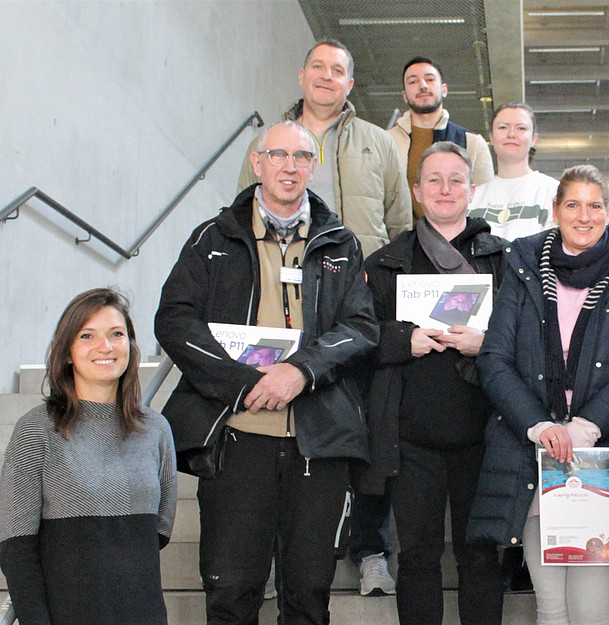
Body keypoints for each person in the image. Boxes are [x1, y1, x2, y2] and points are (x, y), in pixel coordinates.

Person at [155, 120, 379, 625]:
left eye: (301, 157)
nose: (289, 166)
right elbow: (174, 319)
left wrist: (300, 372)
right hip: (235, 437)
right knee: (232, 593)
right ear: (257, 164)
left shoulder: (341, 242)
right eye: (277, 155)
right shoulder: (212, 239)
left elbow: (361, 327)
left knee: (307, 596)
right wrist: (243, 383)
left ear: (313, 168)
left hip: (317, 441)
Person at [469, 165, 609, 625]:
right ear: (556, 210)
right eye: (573, 205)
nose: (584, 216)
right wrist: (539, 426)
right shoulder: (522, 267)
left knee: (594, 609)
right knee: (552, 608)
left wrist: (587, 425)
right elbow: (494, 359)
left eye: (595, 205)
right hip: (533, 457)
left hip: (603, 455)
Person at [362, 141, 505, 625]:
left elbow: (528, 340)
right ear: (417, 190)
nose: (445, 189)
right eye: (434, 180)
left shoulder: (502, 259)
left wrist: (485, 343)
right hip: (410, 438)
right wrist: (404, 341)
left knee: (482, 556)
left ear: (471, 188)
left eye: (456, 180)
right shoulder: (385, 261)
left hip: (486, 434)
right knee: (418, 557)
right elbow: (357, 338)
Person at [0, 288, 177, 625]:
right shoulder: (36, 430)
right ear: (67, 352)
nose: (105, 347)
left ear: (130, 346)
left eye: (117, 334)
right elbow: (15, 547)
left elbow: (160, 530)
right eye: (87, 335)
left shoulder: (155, 429)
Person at [238, 38, 412, 256]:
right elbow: (243, 216)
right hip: (286, 276)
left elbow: (400, 225)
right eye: (318, 66)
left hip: (361, 278)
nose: (326, 76)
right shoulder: (266, 144)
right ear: (302, 76)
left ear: (349, 85)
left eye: (337, 70)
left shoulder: (380, 142)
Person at [389, 56, 495, 218]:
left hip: (456, 241)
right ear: (404, 95)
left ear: (444, 89)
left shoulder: (472, 143)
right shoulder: (385, 141)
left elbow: (486, 205)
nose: (422, 86)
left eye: (430, 79)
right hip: (400, 239)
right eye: (413, 82)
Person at [468, 102, 560, 240]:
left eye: (521, 128)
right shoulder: (472, 198)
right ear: (492, 137)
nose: (511, 134)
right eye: (503, 127)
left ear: (534, 138)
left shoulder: (553, 191)